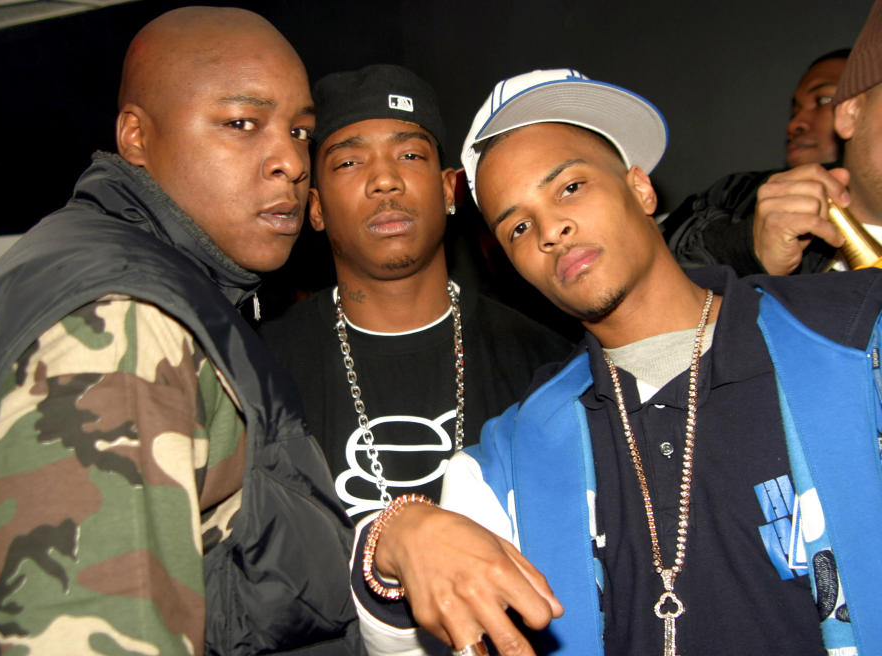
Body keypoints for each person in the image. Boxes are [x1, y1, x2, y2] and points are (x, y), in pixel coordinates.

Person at [351, 68, 882, 656]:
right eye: (519, 226)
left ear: (640, 188)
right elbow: (405, 639)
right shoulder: (518, 448)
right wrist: (394, 536)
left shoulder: (853, 338)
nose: (551, 228)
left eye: (570, 187)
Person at [0, 7, 362, 655]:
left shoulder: (158, 283)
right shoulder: (120, 316)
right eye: (242, 124)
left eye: (300, 131)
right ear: (136, 138)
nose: (291, 162)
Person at [260, 64, 572, 520]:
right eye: (349, 162)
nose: (385, 180)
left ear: (449, 190)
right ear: (317, 208)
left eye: (409, 156)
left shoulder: (548, 364)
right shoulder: (260, 370)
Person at [667, 1, 882, 276]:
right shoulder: (734, 201)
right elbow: (641, 282)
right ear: (850, 113)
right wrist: (748, 252)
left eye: (821, 100)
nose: (796, 125)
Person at [666, 48, 850, 273]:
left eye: (823, 100)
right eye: (795, 111)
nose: (795, 125)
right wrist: (747, 247)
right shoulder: (734, 193)